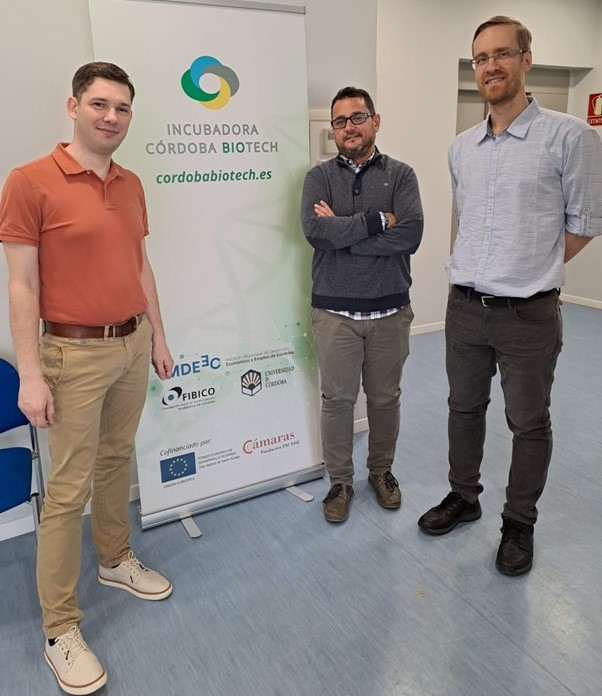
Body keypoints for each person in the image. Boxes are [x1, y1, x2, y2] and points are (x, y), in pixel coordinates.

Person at [0, 62, 174, 694]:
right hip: (70, 356)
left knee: (114, 461)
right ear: (72, 107)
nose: (111, 117)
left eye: (122, 108)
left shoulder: (129, 183)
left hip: (130, 345)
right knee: (67, 490)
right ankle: (60, 629)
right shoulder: (29, 182)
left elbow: (142, 265)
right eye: (99, 104)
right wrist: (29, 373)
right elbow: (21, 283)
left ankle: (114, 560)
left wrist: (158, 334)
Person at [418, 17, 602, 575]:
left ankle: (519, 522)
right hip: (465, 308)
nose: (490, 66)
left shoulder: (570, 137)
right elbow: (469, 221)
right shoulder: (462, 148)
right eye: (480, 58)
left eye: (501, 54)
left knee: (529, 422)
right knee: (463, 409)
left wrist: (532, 267)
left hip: (528, 312)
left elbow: (585, 222)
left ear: (526, 58)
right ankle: (464, 496)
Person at [301, 86, 423, 523]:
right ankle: (340, 481)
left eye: (357, 117)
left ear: (375, 120)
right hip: (335, 313)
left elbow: (410, 235)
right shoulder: (319, 177)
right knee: (337, 400)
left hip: (390, 311)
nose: (348, 127)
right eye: (339, 121)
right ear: (332, 129)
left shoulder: (402, 175)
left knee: (385, 399)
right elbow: (314, 231)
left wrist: (345, 237)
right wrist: (375, 222)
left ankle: (381, 472)